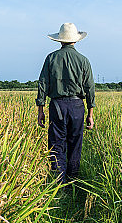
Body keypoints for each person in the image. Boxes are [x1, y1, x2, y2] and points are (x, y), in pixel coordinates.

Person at [36, 22, 95, 184]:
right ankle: (72, 181)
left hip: (57, 105)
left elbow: (42, 84)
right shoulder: (84, 61)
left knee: (56, 143)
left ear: (60, 40)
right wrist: (90, 114)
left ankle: (58, 183)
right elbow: (90, 88)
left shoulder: (51, 58)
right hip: (77, 107)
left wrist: (40, 110)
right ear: (75, 40)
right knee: (75, 143)